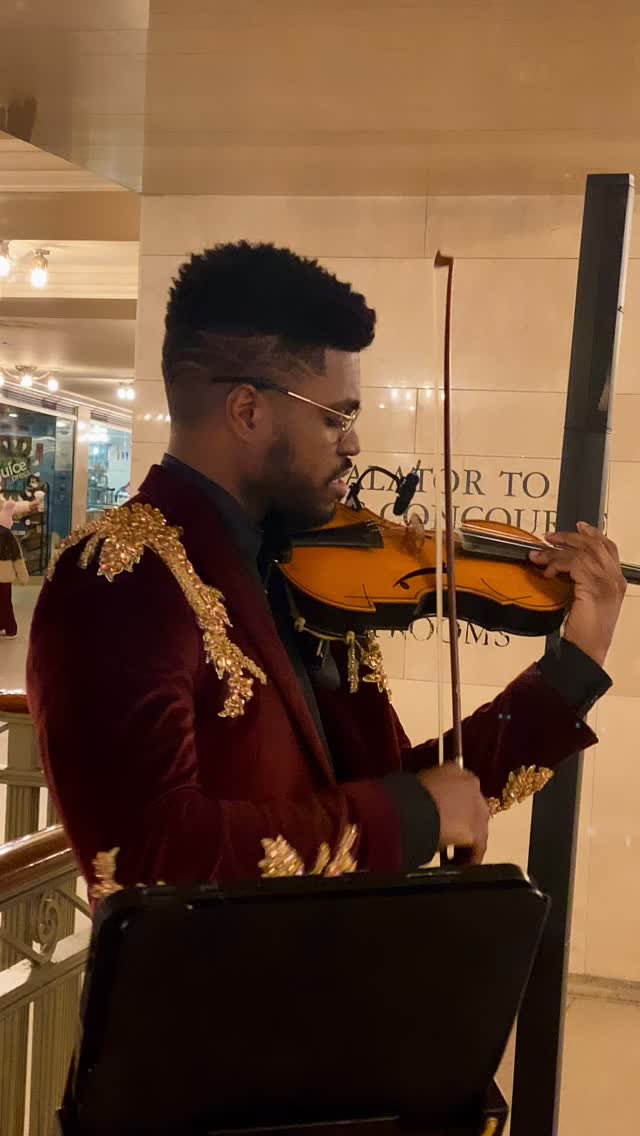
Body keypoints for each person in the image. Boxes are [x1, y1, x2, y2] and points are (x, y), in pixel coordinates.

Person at [27, 242, 625, 893]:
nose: (354, 443)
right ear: (248, 411)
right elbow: (155, 857)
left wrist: (576, 664)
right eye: (338, 416)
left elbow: (389, 786)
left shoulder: (302, 569)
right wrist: (414, 815)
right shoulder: (116, 578)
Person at [0, 501, 29, 638]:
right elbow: (17, 556)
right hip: (5, 574)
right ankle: (6, 627)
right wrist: (23, 576)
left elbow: (16, 556)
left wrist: (23, 576)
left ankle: (10, 628)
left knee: (4, 603)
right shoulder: (7, 534)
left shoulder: (5, 534)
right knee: (5, 602)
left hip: (4, 573)